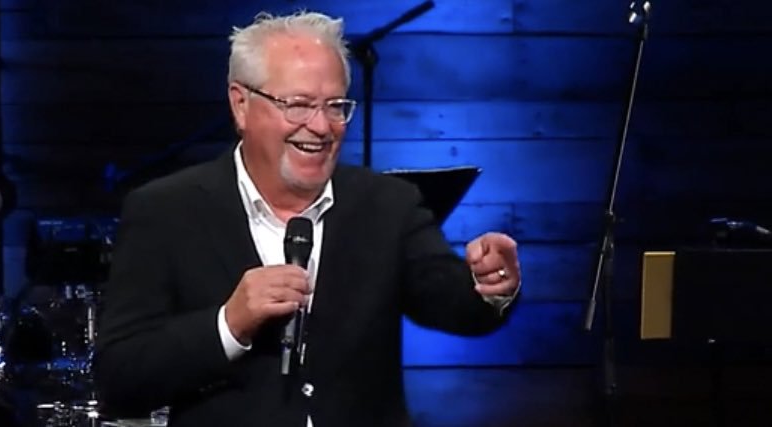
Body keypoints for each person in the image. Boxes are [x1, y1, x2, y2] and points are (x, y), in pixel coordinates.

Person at [94, 10, 521, 427]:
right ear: (241, 105)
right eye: (298, 105)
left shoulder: (388, 204)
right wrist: (229, 324)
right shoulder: (165, 210)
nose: (320, 126)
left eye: (335, 106)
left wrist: (491, 285)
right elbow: (119, 377)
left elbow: (454, 305)